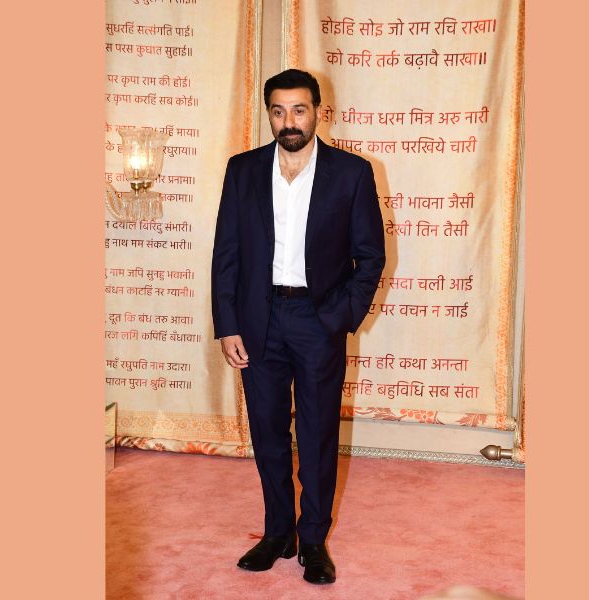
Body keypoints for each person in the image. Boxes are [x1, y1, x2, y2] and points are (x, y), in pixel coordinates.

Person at [211, 69, 385, 584]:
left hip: (317, 320)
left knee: (316, 435)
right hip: (257, 319)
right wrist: (228, 324)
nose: (289, 121)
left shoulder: (351, 173)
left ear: (318, 113)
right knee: (267, 433)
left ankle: (313, 540)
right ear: (269, 113)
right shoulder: (242, 170)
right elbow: (226, 253)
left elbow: (370, 257)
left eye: (299, 110)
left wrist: (339, 318)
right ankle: (277, 533)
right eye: (279, 110)